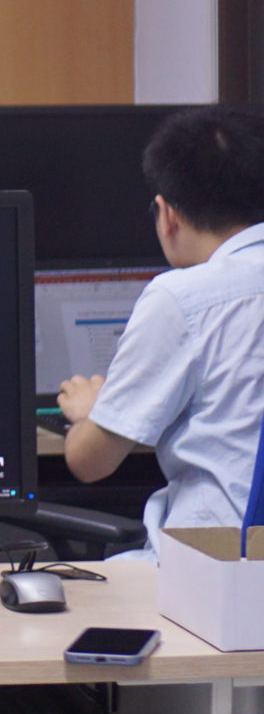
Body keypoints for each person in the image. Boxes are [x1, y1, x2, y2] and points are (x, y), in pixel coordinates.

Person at [58, 104, 264, 553]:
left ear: (167, 214)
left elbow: (90, 463)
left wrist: (91, 411)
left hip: (219, 567)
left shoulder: (185, 297)